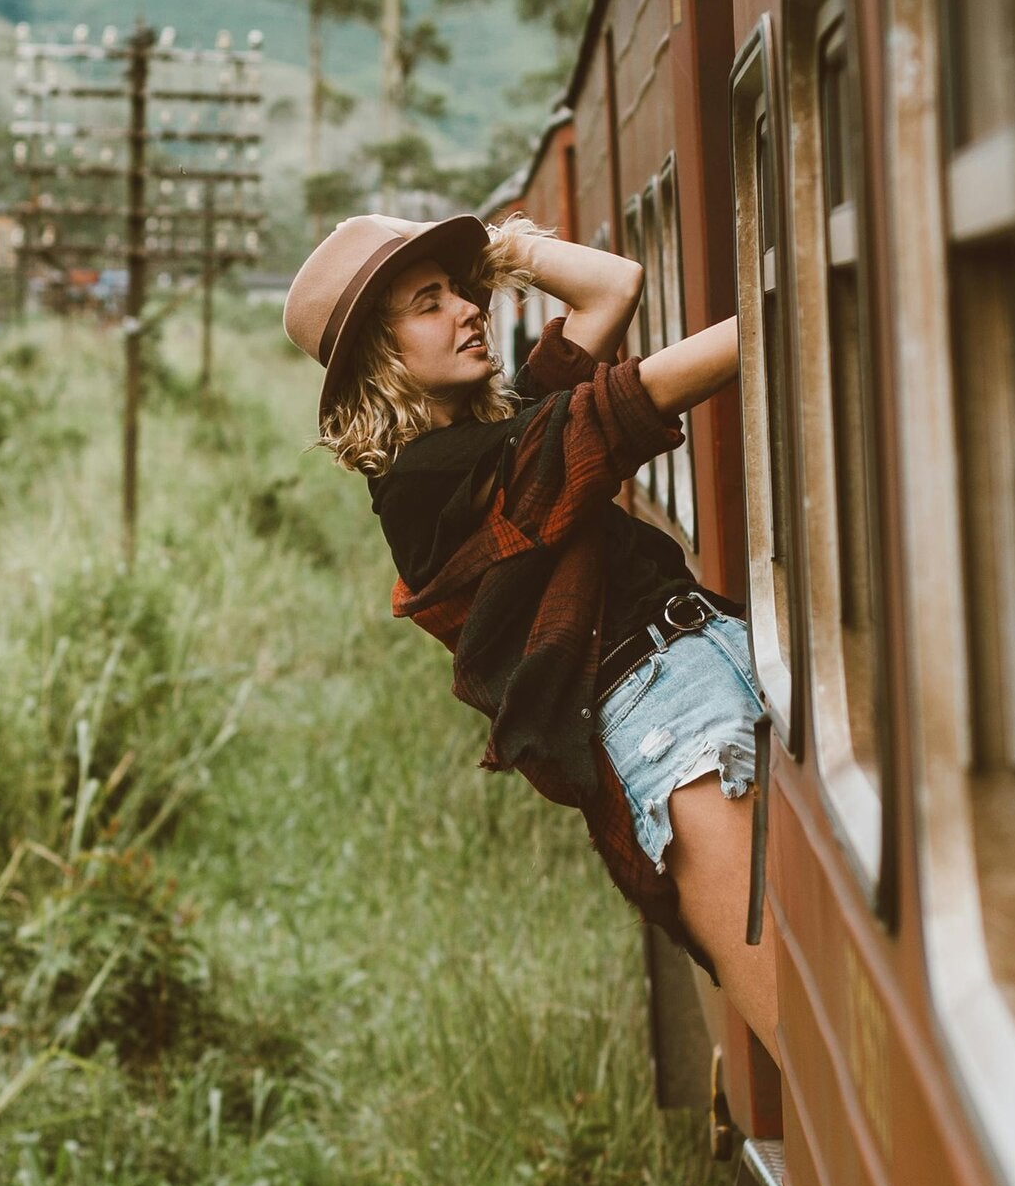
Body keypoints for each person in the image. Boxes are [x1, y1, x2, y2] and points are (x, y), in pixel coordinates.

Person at [283, 207, 777, 1049]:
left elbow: (613, 287)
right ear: (380, 357)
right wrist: (792, 299)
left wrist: (491, 250)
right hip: (670, 726)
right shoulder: (426, 485)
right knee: (812, 1038)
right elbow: (625, 404)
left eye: (463, 292)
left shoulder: (500, 434)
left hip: (724, 654)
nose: (470, 310)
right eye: (429, 303)